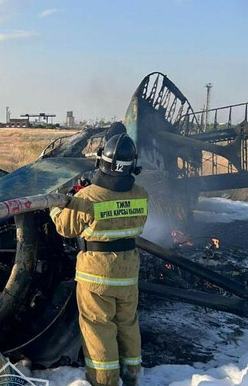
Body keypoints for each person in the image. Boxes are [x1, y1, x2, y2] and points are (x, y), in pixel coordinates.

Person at [50, 132, 148, 386]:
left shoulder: (88, 197)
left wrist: (58, 204)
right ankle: (133, 375)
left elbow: (65, 227)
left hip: (96, 275)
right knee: (128, 323)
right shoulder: (141, 195)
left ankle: (105, 380)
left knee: (98, 328)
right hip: (128, 274)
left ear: (101, 161)